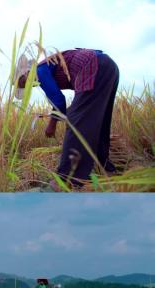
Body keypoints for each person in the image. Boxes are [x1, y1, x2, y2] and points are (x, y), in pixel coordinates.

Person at [15, 49, 120, 189]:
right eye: (23, 86)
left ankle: (67, 178)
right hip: (108, 67)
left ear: (27, 72)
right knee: (98, 120)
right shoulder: (48, 65)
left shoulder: (39, 71)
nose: (28, 86)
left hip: (93, 66)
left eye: (24, 82)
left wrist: (52, 124)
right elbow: (62, 103)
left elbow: (58, 101)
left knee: (76, 121)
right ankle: (105, 167)